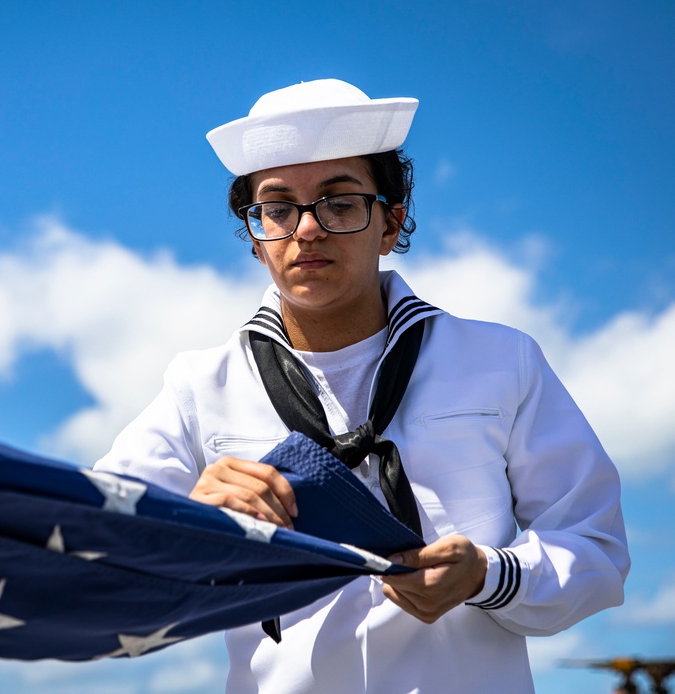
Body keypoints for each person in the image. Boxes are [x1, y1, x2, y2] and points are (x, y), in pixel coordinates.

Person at [94, 79, 629, 693]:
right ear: (255, 235)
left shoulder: (502, 361)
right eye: (277, 208)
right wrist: (189, 520)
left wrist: (488, 575)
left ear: (391, 222)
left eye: (339, 203)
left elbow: (596, 549)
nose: (307, 230)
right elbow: (97, 562)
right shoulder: (199, 387)